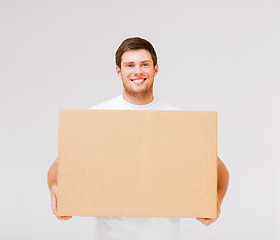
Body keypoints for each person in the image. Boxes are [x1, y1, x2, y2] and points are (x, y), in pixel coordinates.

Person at [48, 37, 230, 240]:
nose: (138, 71)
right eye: (130, 65)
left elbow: (219, 169)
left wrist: (215, 199)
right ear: (119, 71)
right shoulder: (98, 116)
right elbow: (59, 167)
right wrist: (57, 191)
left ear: (156, 69)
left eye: (145, 64)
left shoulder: (176, 119)